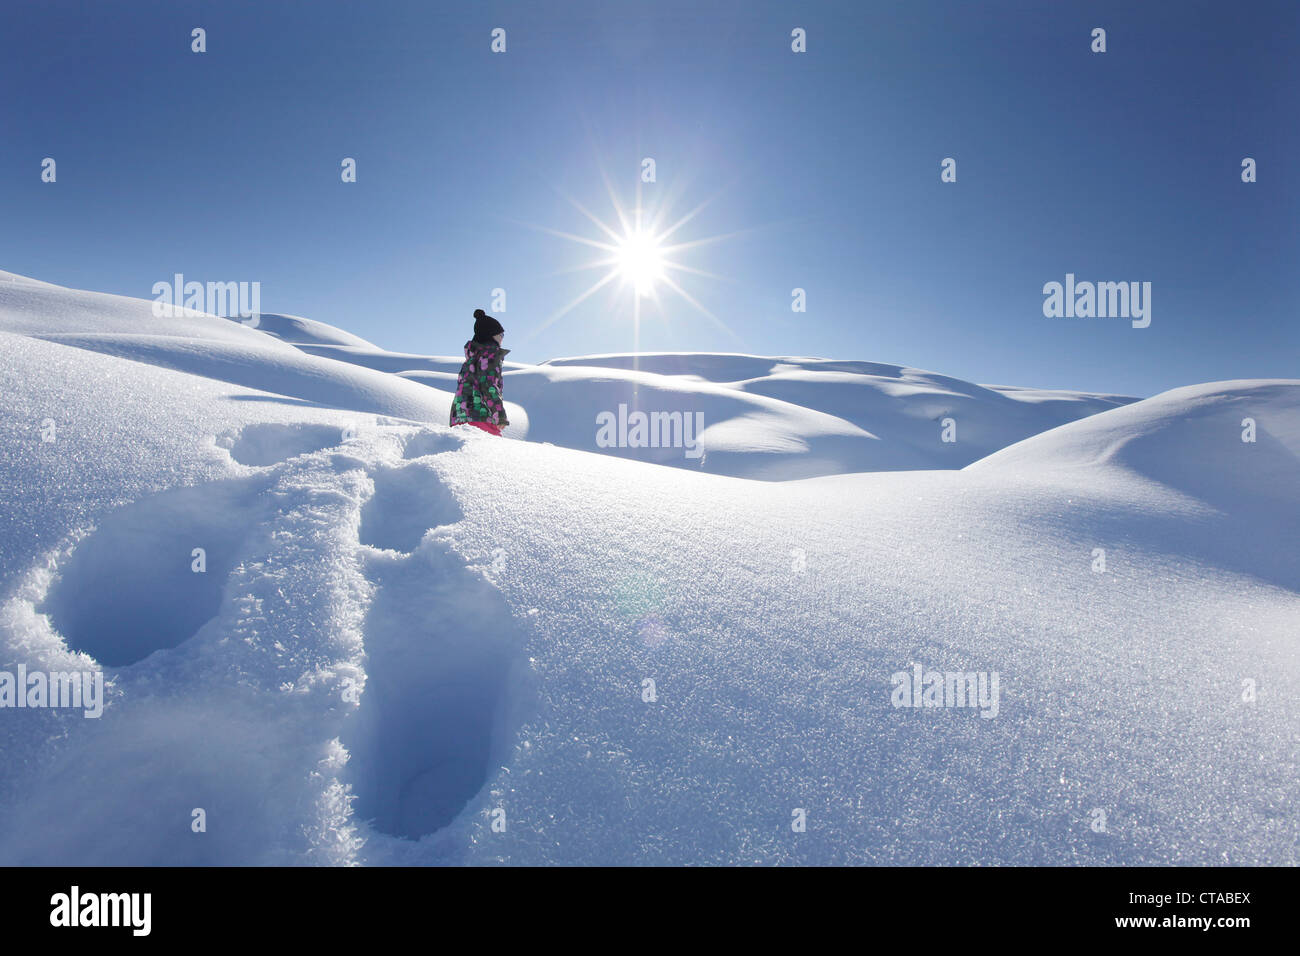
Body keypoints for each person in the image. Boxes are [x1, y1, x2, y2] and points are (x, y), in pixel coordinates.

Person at [450, 308, 510, 435]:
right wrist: (499, 414)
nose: (502, 339)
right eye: (501, 335)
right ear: (491, 335)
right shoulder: (490, 356)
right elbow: (488, 385)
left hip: (460, 418)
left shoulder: (471, 359)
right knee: (494, 452)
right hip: (481, 416)